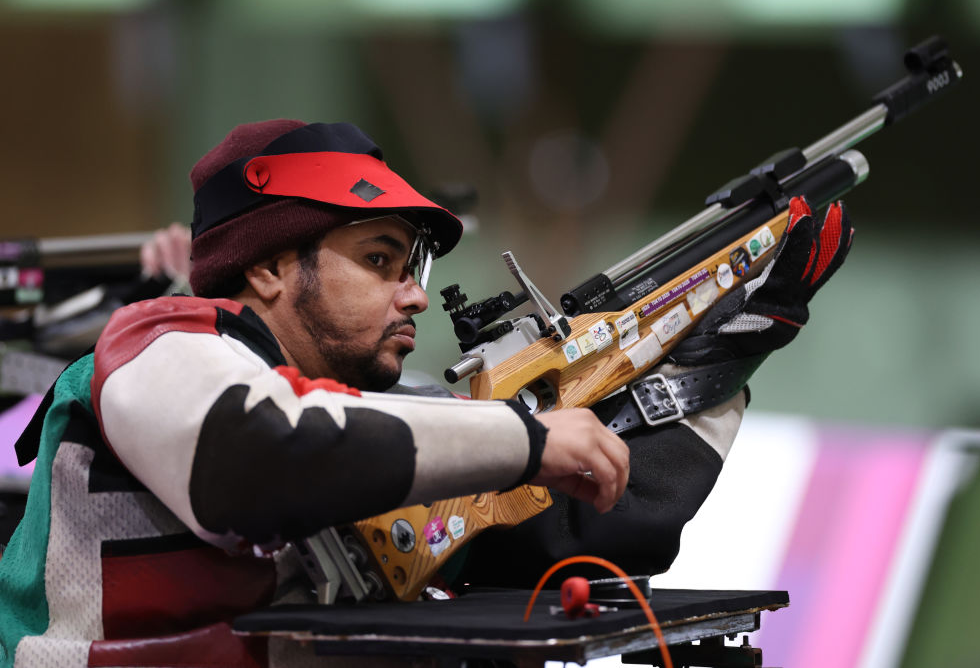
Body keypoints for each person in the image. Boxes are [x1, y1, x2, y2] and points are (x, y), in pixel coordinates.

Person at [0, 119, 851, 667]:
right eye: (379, 262)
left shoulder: (362, 431)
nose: (412, 296)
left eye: (414, 270)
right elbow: (254, 461)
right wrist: (523, 434)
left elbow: (597, 529)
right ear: (263, 268)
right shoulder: (159, 344)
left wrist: (734, 345)